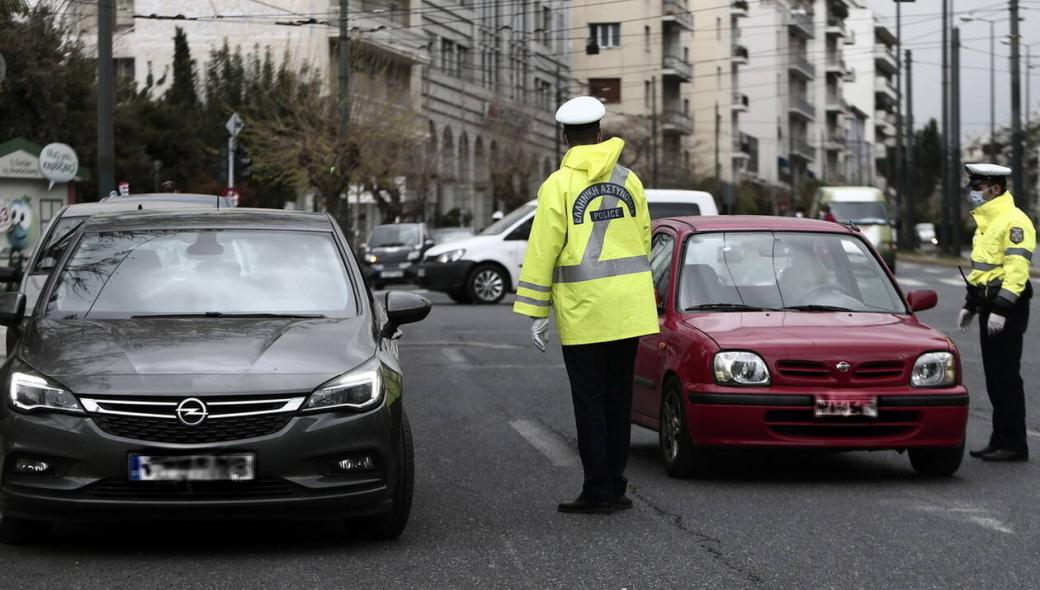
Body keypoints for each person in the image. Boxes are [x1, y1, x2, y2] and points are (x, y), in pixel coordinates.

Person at [513, 96, 659, 514]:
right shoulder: (630, 180)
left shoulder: (558, 185)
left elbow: (543, 249)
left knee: (591, 402)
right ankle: (616, 484)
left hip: (585, 309)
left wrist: (536, 311)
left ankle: (597, 491)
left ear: (565, 138)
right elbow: (645, 237)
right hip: (629, 308)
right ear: (599, 132)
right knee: (618, 399)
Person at [958, 163, 1035, 462]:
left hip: (1008, 306)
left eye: (977, 187)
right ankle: (999, 437)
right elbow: (982, 271)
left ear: (995, 188)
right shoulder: (987, 222)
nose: (973, 193)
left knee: (1005, 375)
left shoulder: (1014, 222)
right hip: (990, 304)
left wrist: (1002, 309)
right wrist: (970, 304)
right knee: (994, 376)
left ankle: (1015, 443)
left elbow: (1015, 273)